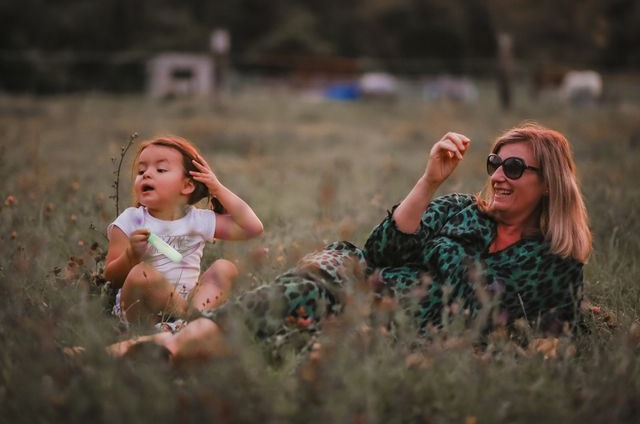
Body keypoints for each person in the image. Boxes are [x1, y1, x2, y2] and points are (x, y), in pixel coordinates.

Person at [108, 123, 591, 361]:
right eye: (494, 163)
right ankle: (169, 350)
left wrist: (442, 253)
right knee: (299, 290)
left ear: (548, 182)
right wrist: (428, 182)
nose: (499, 177)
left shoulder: (554, 259)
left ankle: (147, 350)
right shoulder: (462, 209)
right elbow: (381, 252)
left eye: (513, 167)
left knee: (284, 335)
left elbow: (499, 312)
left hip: (400, 326)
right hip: (359, 280)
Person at [104, 136, 263, 327]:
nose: (146, 175)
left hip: (187, 302)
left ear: (187, 185)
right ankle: (189, 324)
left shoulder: (198, 220)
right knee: (142, 274)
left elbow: (252, 228)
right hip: (141, 311)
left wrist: (218, 188)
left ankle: (185, 323)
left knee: (225, 268)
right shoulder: (130, 220)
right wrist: (131, 255)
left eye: (161, 169)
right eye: (141, 170)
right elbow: (111, 278)